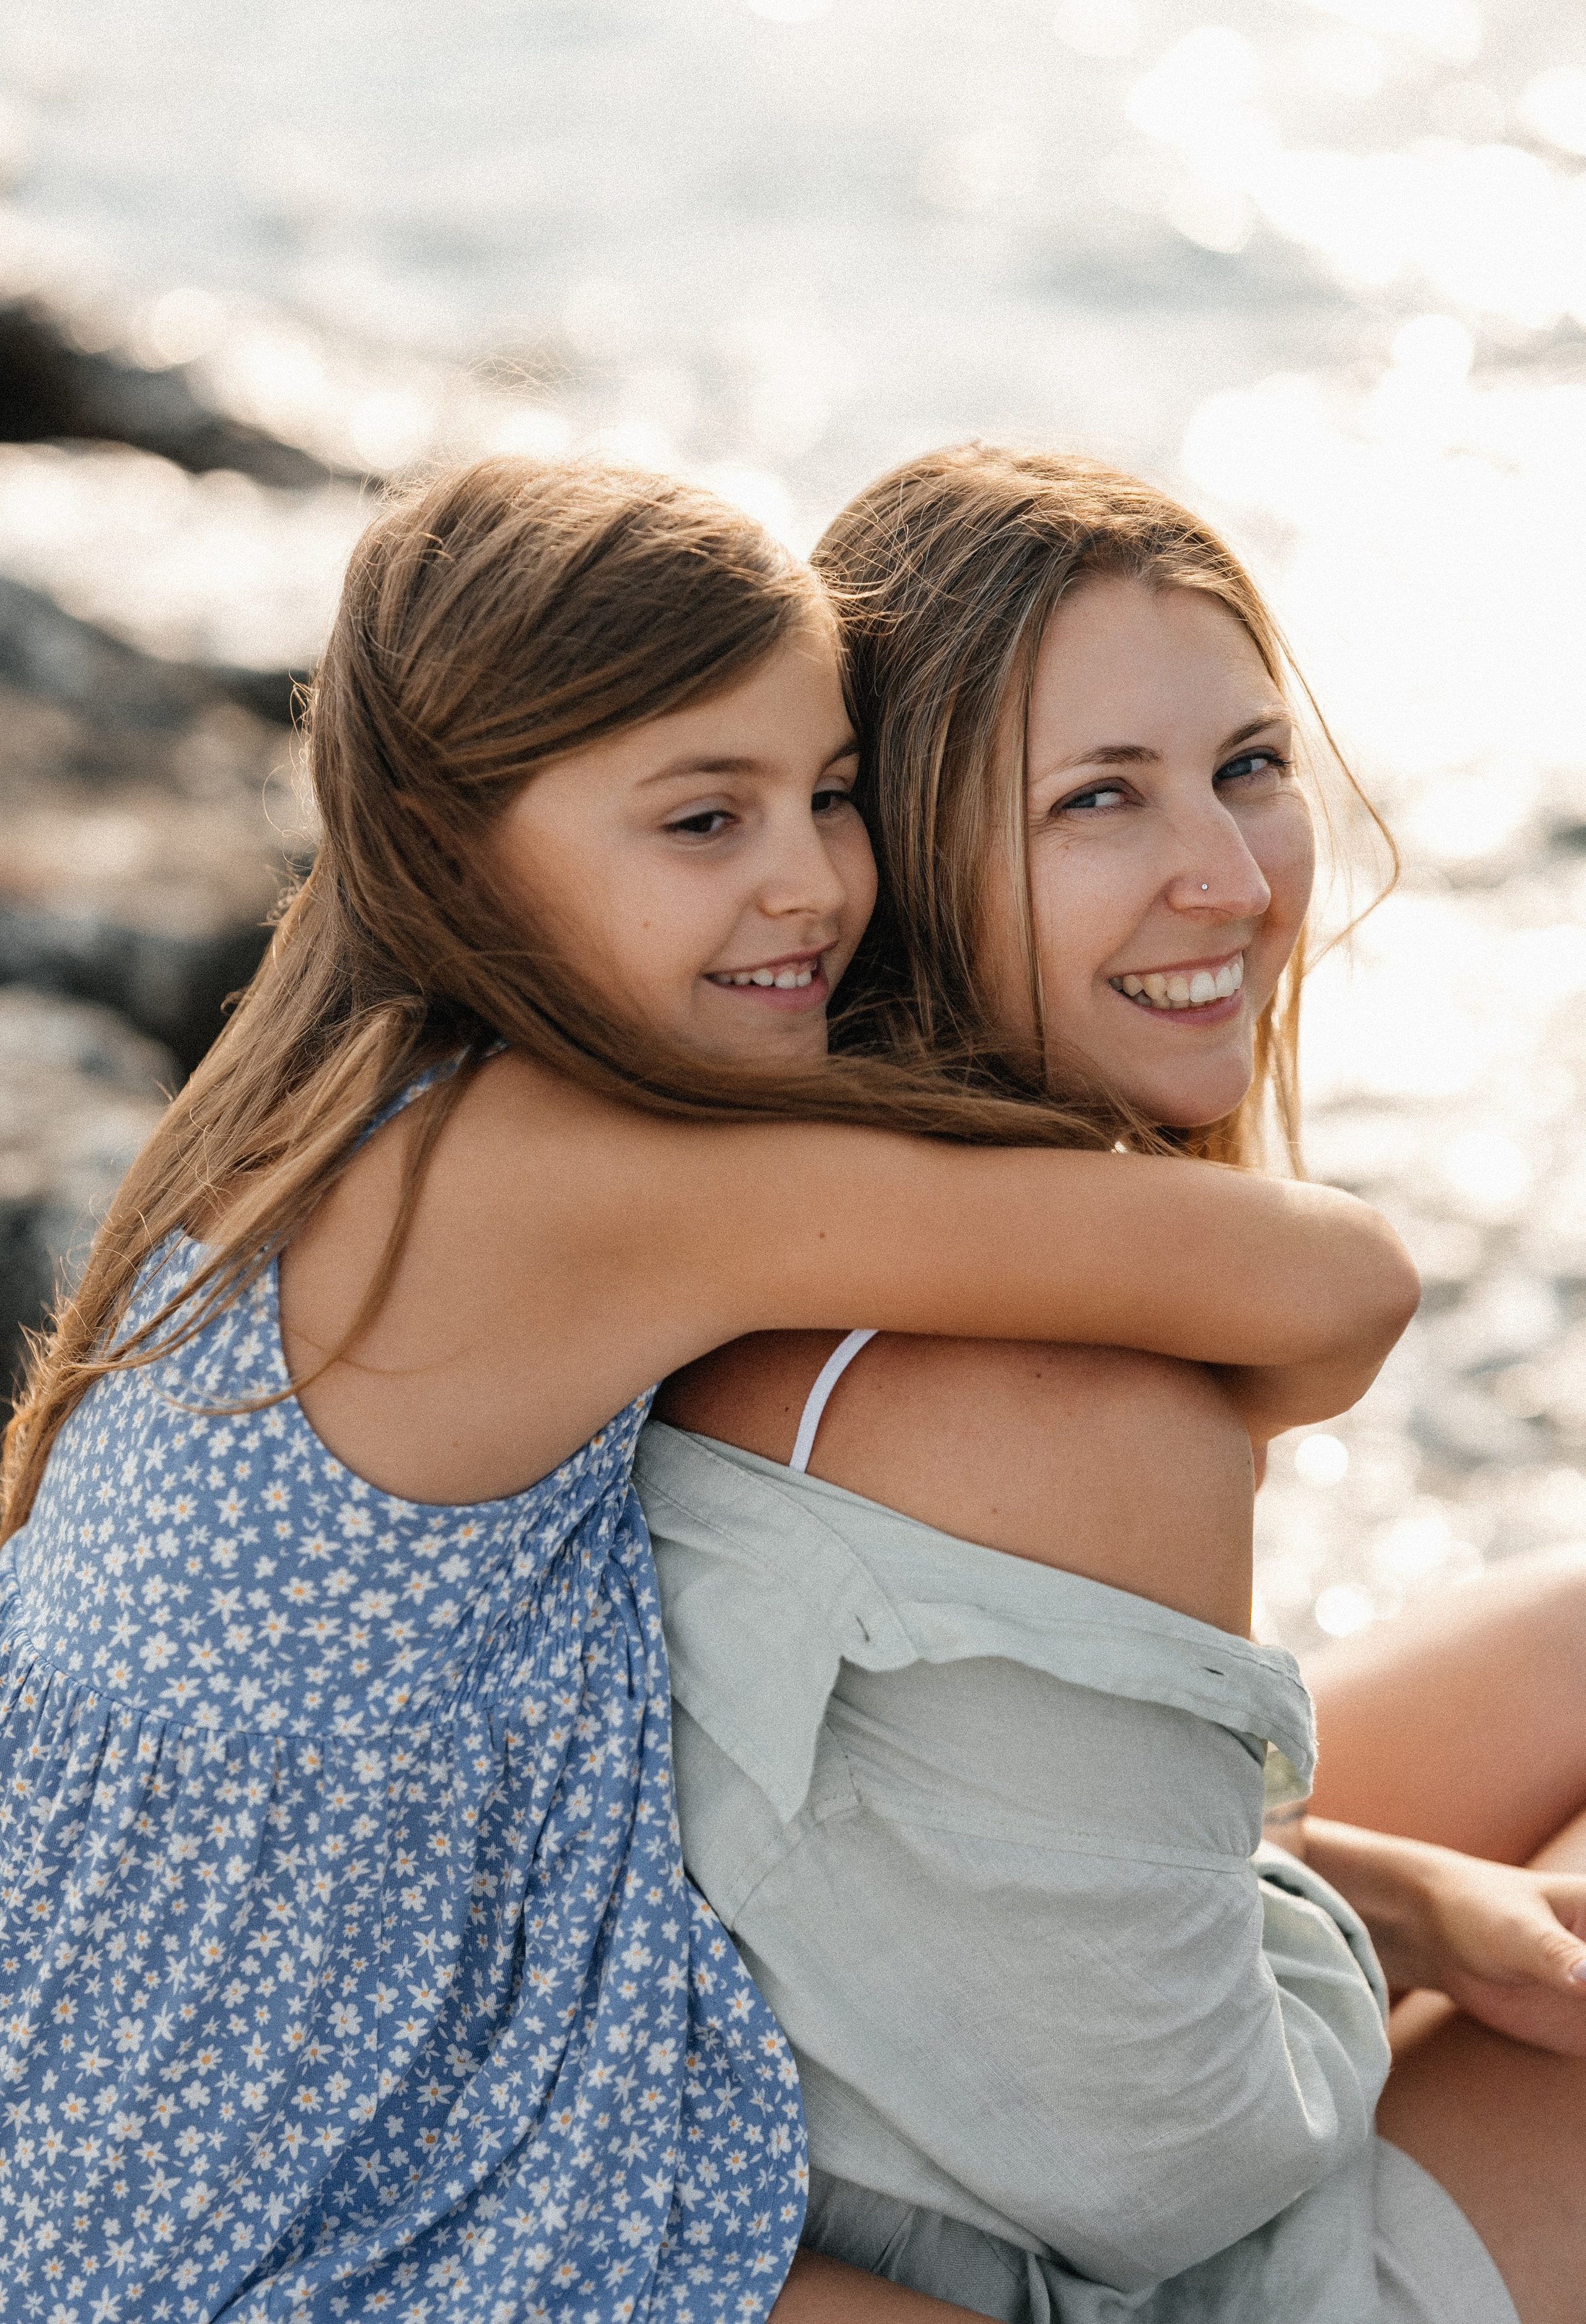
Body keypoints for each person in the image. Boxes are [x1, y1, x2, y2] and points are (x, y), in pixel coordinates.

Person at [0, 456, 1416, 2324]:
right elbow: (1342, 1285)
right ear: (447, 841)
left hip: (171, 2149)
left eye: (832, 795)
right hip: (309, 2227)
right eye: (702, 819)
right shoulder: (566, 1180)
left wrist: (1353, 1883)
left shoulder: (336, 1109)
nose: (814, 883)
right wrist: (1121, 1434)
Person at [646, 445, 1586, 2324]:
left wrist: (1393, 1891)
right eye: (1098, 799)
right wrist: (1367, 1930)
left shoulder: (719, 1209)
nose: (1232, 879)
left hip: (890, 2096)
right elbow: (1177, 2171)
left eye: (1248, 765)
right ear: (889, 849)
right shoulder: (1090, 1403)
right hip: (1110, 2277)